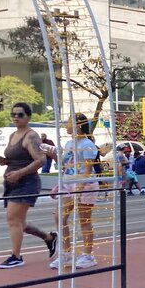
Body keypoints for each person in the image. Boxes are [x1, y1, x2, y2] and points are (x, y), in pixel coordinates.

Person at [0, 102, 56, 269]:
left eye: (20, 114)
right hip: (11, 182)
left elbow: (40, 160)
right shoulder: (13, 135)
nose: (16, 117)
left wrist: (19, 173)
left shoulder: (31, 136)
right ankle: (49, 238)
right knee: (19, 221)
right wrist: (6, 161)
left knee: (13, 219)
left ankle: (16, 256)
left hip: (26, 183)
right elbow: (20, 158)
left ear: (28, 117)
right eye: (13, 114)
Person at [49, 112, 101, 270]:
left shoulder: (87, 144)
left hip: (85, 186)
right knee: (60, 217)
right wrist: (53, 156)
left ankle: (88, 255)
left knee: (84, 220)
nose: (66, 125)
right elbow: (66, 166)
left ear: (78, 125)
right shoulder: (68, 144)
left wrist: (80, 186)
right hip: (69, 184)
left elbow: (88, 170)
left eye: (69, 122)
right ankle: (66, 254)